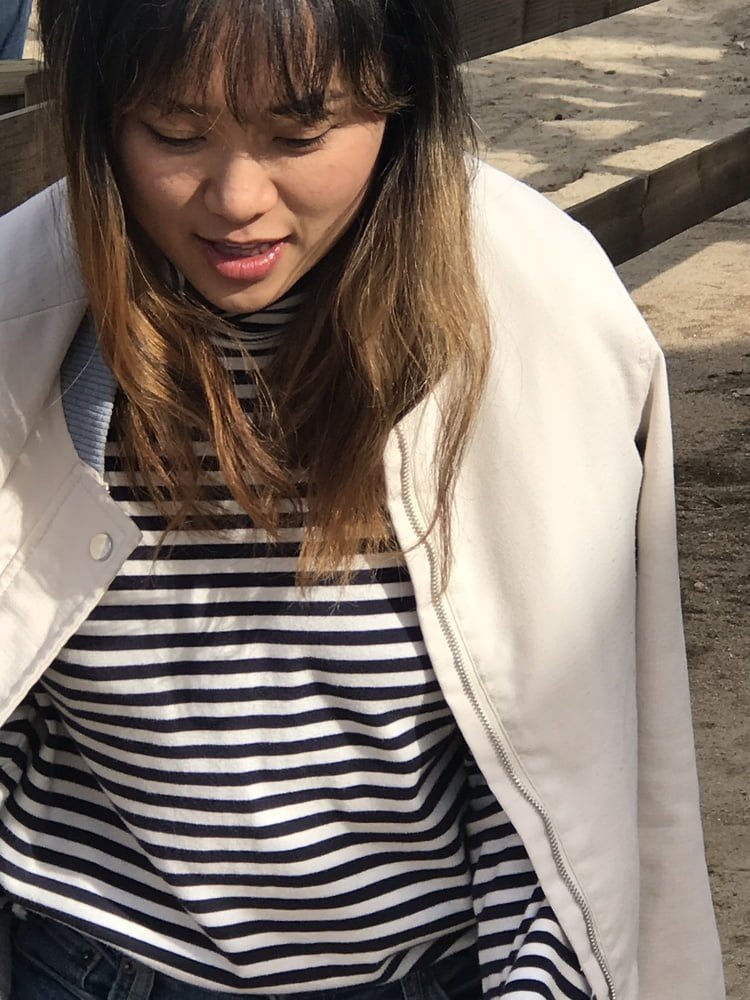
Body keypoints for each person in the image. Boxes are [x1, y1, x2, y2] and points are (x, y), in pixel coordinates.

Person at [0, 0, 724, 998]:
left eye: (300, 134)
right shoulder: (23, 320)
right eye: (174, 130)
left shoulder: (538, 321)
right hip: (90, 964)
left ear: (402, 99)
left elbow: (558, 760)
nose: (236, 199)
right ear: (99, 117)